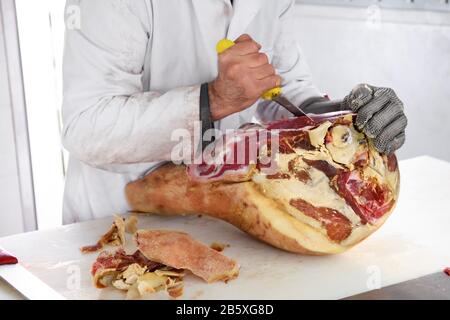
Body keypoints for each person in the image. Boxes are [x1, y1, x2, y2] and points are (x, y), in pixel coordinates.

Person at [62, 0, 407, 223]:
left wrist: (337, 116)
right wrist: (214, 99)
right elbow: (85, 127)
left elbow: (284, 86)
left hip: (224, 213)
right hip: (117, 219)